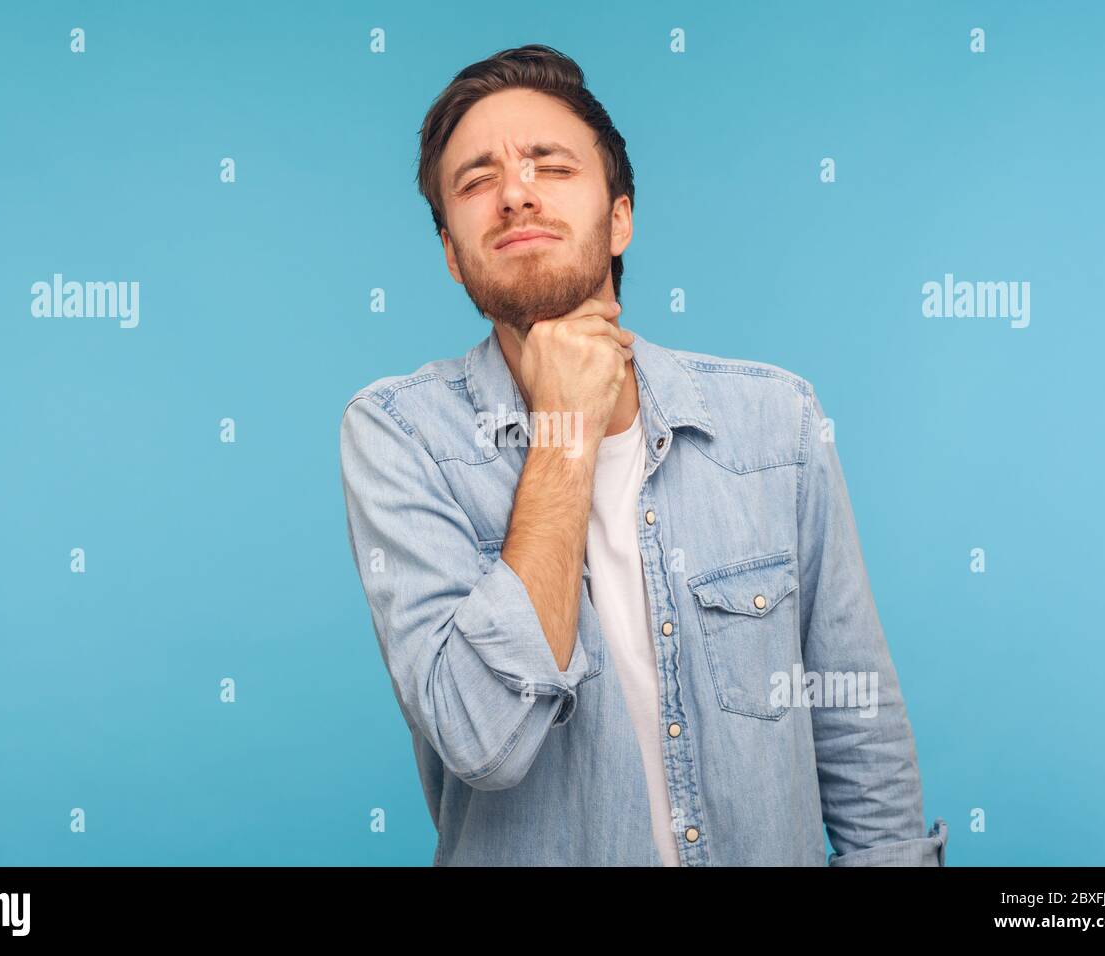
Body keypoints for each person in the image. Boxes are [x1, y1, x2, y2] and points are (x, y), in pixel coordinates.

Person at [339, 44, 946, 866]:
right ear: (452, 253)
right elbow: (481, 739)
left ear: (620, 215)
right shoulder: (400, 435)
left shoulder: (776, 422)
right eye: (476, 181)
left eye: (549, 166)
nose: (514, 193)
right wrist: (562, 433)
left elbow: (856, 728)